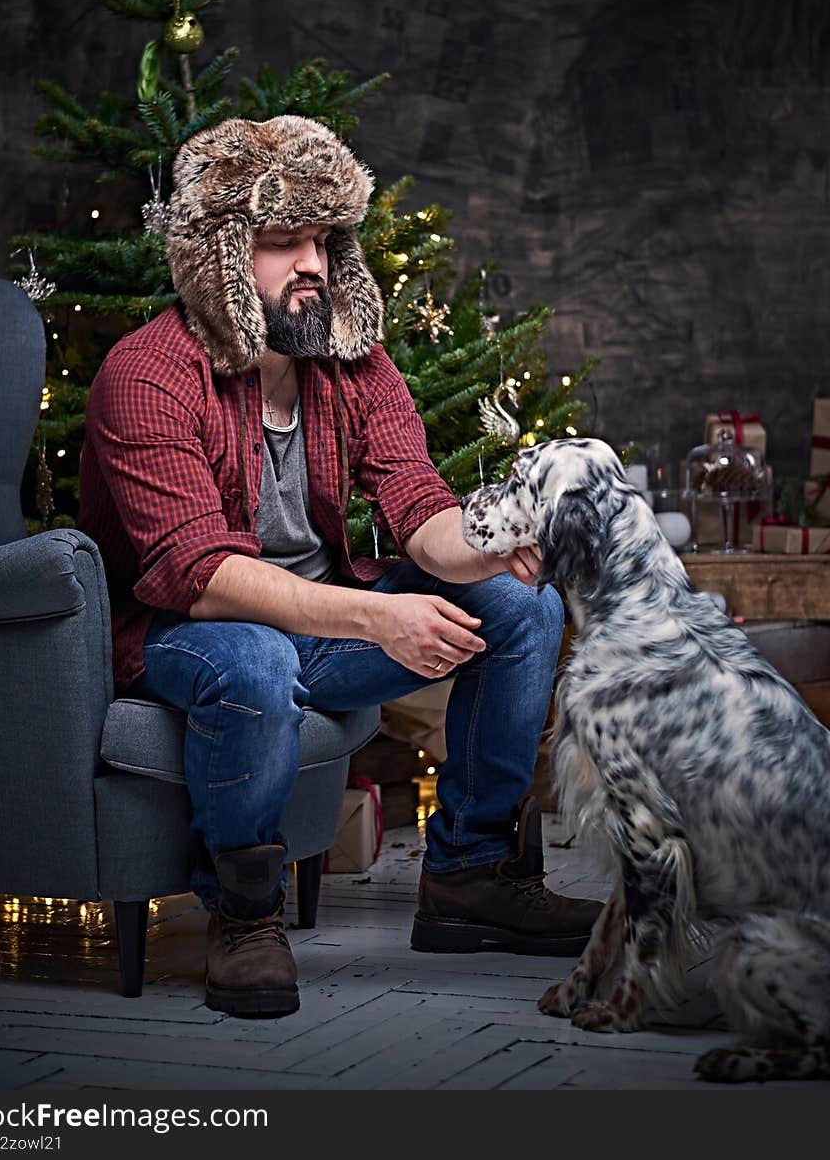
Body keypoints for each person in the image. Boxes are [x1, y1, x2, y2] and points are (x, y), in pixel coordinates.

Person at [78, 115, 602, 1018]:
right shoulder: (148, 373)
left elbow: (417, 503)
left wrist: (491, 542)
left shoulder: (349, 364)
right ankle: (244, 917)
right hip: (183, 633)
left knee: (522, 605)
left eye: (322, 240)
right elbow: (199, 574)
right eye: (284, 242)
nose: (312, 263)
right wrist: (375, 619)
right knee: (255, 654)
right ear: (219, 258)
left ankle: (471, 876)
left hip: (324, 618)